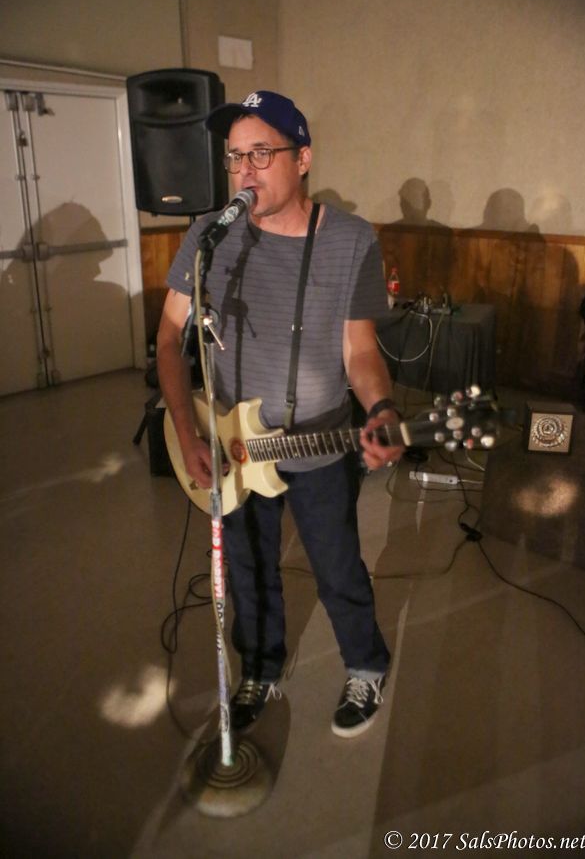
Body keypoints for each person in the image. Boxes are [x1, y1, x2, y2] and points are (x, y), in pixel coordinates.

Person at [156, 90, 404, 738]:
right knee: (248, 568)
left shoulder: (351, 240)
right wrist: (186, 431)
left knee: (337, 564)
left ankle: (366, 665)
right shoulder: (207, 238)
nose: (245, 170)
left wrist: (380, 407)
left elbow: (360, 350)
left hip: (318, 441)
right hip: (233, 444)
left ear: (303, 159)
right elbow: (168, 337)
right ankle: (260, 670)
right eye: (235, 156)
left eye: (261, 153)